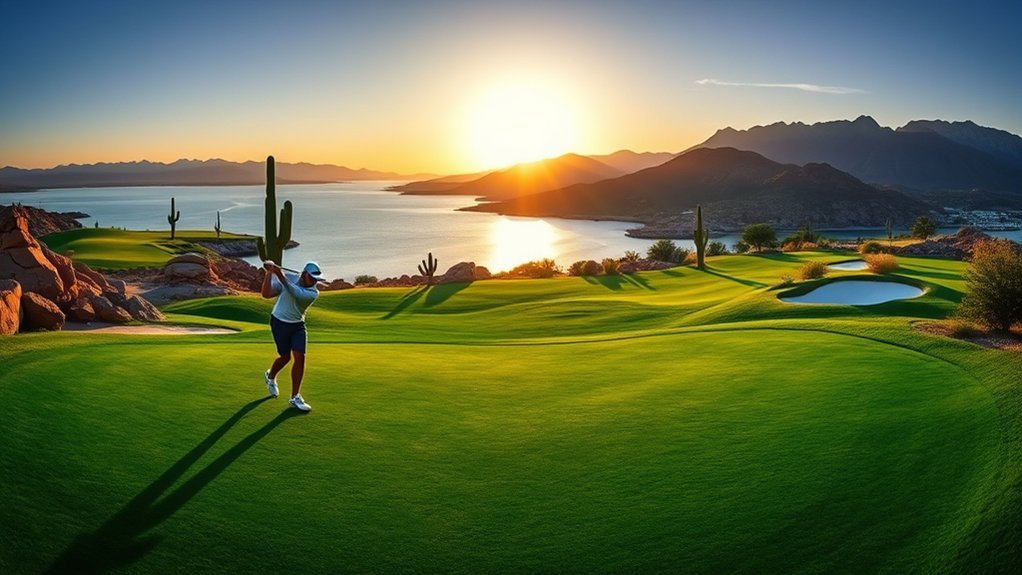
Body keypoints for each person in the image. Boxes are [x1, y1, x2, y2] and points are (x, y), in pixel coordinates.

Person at [261, 260, 322, 411]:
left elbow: (293, 290)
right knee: (285, 357)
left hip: (297, 326)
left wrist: (278, 273)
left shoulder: (312, 293)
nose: (314, 281)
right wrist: (269, 273)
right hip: (279, 322)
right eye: (312, 277)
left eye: (316, 279)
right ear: (304, 274)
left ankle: (295, 397)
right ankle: (270, 377)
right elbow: (266, 294)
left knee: (300, 358)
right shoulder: (290, 277)